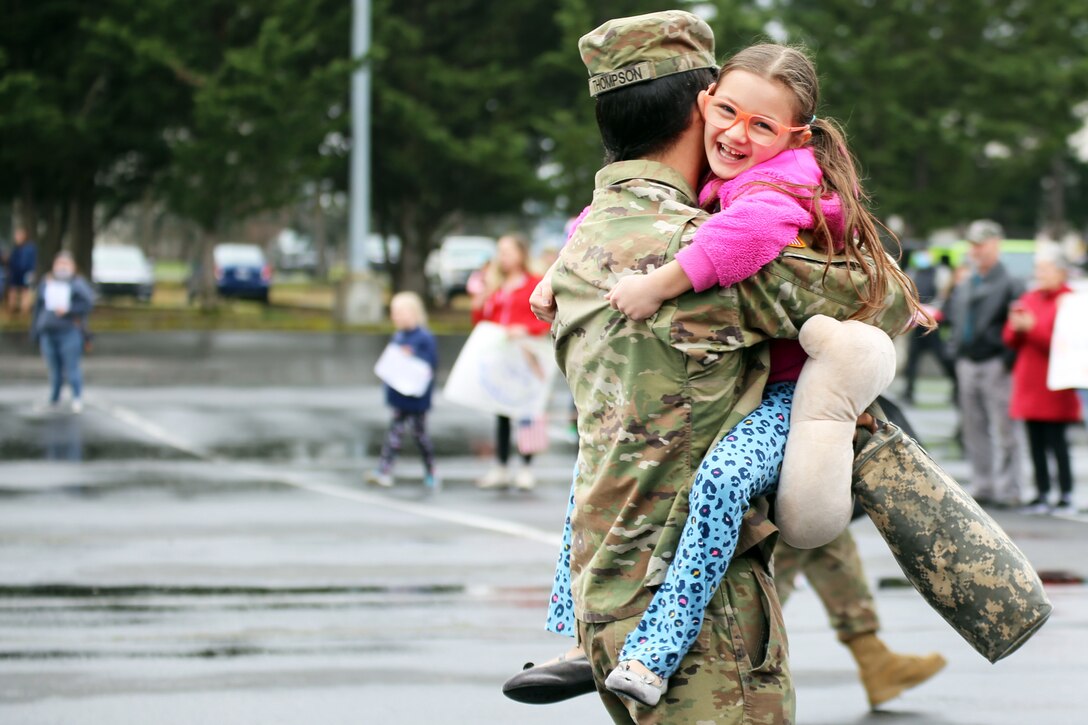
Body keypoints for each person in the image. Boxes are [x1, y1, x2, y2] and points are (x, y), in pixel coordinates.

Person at [530, 11, 913, 723]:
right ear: (698, 109)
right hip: (700, 620)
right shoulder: (705, 249)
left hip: (602, 589)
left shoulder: (580, 245)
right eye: (722, 108)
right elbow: (883, 295)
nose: (736, 134)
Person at [945, 219, 1026, 507]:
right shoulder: (967, 283)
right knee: (973, 427)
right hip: (967, 362)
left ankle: (1010, 488)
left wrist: (1007, 360)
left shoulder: (1010, 282)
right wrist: (955, 352)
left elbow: (1018, 325)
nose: (975, 250)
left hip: (995, 363)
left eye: (980, 244)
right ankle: (984, 484)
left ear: (995, 244)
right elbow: (956, 319)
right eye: (973, 245)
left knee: (1005, 429)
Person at [471, 233, 550, 491]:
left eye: (507, 251)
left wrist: (525, 329)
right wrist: (480, 303)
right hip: (502, 356)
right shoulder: (496, 285)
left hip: (526, 355)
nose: (501, 256)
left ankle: (527, 468)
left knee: (528, 409)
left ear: (521, 253)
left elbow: (547, 318)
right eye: (500, 251)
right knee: (501, 410)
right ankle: (501, 467)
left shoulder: (534, 283)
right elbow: (482, 320)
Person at [1003, 258, 1082, 513]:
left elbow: (1066, 343)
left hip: (1056, 382)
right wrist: (1016, 328)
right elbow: (1010, 338)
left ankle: (1066, 494)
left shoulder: (1071, 301)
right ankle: (1041, 492)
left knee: (1057, 441)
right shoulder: (1030, 297)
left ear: (1061, 273)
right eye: (1039, 270)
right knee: (1034, 441)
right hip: (1029, 380)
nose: (1041, 275)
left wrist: (1032, 328)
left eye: (1047, 270)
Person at [367, 291, 439, 491]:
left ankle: (431, 471)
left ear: (415, 313)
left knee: (420, 436)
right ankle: (384, 470)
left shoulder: (424, 337)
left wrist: (413, 355)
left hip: (417, 399)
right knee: (394, 434)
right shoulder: (398, 336)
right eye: (394, 313)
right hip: (399, 397)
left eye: (401, 312)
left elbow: (430, 364)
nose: (397, 317)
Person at [30, 250, 94, 413]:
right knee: (54, 369)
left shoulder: (77, 283)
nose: (62, 267)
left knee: (72, 367)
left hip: (69, 332)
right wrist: (35, 330)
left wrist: (69, 310)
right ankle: (55, 398)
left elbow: (88, 303)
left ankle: (77, 398)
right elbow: (38, 307)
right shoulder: (47, 281)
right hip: (48, 331)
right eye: (59, 263)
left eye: (66, 264)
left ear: (73, 266)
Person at [901, 249, 958, 405]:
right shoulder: (913, 272)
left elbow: (943, 295)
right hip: (918, 324)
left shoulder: (941, 273)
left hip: (934, 324)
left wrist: (935, 311)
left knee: (944, 358)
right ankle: (908, 392)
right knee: (912, 360)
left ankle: (956, 389)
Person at [6, 227, 38, 315]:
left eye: (19, 235)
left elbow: (31, 262)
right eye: (16, 235)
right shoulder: (15, 248)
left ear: (24, 236)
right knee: (12, 291)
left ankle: (24, 313)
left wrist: (31, 273)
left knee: (26, 291)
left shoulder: (30, 247)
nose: (17, 237)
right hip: (15, 273)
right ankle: (11, 312)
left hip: (27, 273)